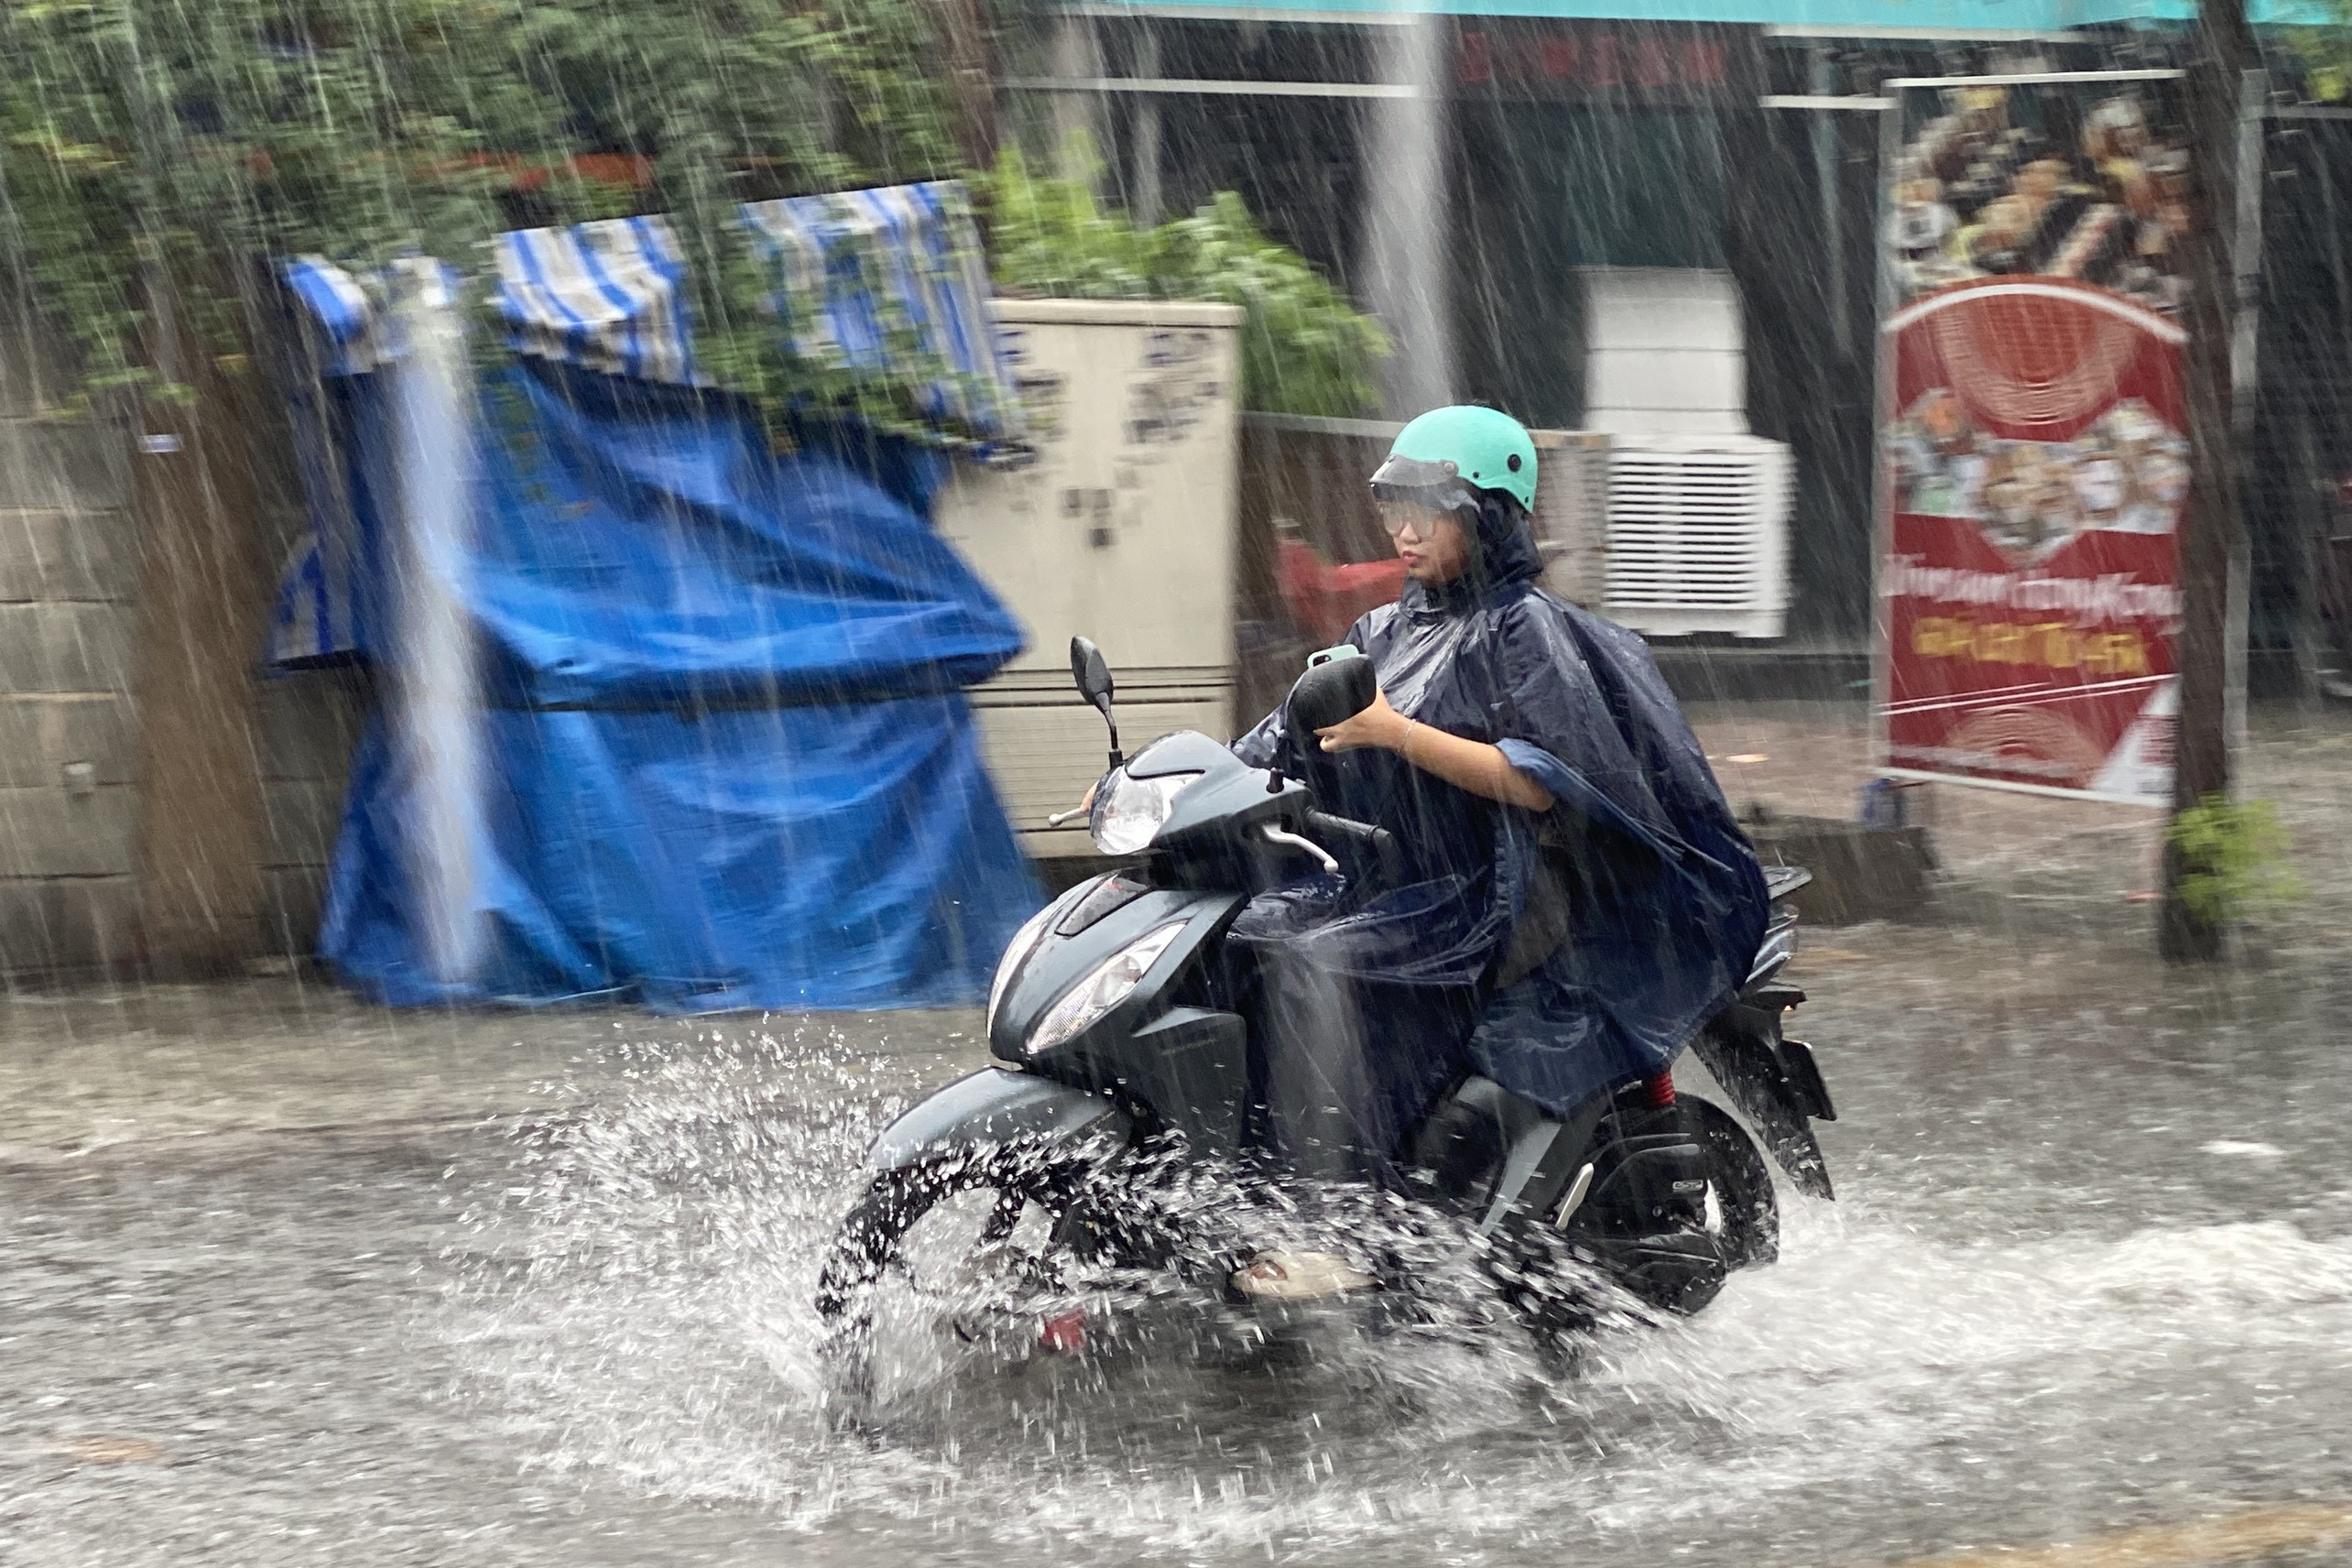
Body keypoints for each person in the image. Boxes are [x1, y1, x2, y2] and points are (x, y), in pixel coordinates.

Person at [1224, 406, 1770, 1223]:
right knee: (1234, 939)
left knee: (1314, 971)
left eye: (1426, 510)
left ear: (1487, 514)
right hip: (1381, 881)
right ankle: (1237, 1193)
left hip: (1476, 898)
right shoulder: (1383, 628)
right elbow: (1283, 738)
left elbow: (1541, 780)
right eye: (1392, 509)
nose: (1404, 531)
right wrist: (1169, 784)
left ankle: (1342, 1216)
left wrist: (1394, 733)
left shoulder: (1526, 629)